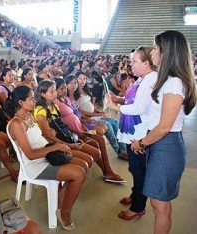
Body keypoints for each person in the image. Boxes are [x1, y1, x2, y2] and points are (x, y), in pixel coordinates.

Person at [131, 30, 196, 233]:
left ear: (167, 52)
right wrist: (146, 140)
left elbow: (164, 126)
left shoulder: (174, 83)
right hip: (161, 144)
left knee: (160, 206)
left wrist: (141, 143)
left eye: (156, 48)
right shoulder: (170, 79)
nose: (152, 53)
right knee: (159, 204)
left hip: (166, 146)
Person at [7, 86, 87, 230]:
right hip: (36, 165)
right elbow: (30, 155)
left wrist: (58, 144)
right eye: (31, 99)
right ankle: (64, 213)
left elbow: (40, 139)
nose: (34, 101)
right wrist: (56, 147)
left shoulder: (29, 116)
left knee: (83, 165)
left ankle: (60, 203)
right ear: (20, 102)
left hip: (46, 155)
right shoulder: (16, 124)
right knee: (78, 174)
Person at [107, 46, 157, 220]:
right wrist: (119, 99)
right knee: (135, 168)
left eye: (135, 61)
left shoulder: (151, 79)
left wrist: (116, 107)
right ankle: (136, 195)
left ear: (147, 63)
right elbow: (133, 99)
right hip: (133, 131)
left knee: (139, 169)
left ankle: (138, 206)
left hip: (140, 132)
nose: (131, 64)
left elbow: (139, 107)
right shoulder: (142, 78)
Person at [53, 78, 125, 183]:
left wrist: (85, 123)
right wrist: (79, 131)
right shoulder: (56, 103)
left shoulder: (66, 99)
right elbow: (61, 123)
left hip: (82, 128)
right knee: (98, 139)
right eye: (61, 89)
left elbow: (77, 113)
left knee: (99, 137)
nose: (64, 90)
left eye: (64, 88)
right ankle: (108, 171)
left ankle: (108, 171)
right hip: (75, 132)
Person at [69, 71, 128, 160]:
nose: (82, 81)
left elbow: (91, 106)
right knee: (108, 125)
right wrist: (96, 114)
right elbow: (80, 111)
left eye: (84, 78)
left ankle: (123, 149)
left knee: (116, 122)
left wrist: (99, 112)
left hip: (93, 115)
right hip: (88, 118)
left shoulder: (86, 90)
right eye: (80, 79)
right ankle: (118, 151)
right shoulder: (75, 95)